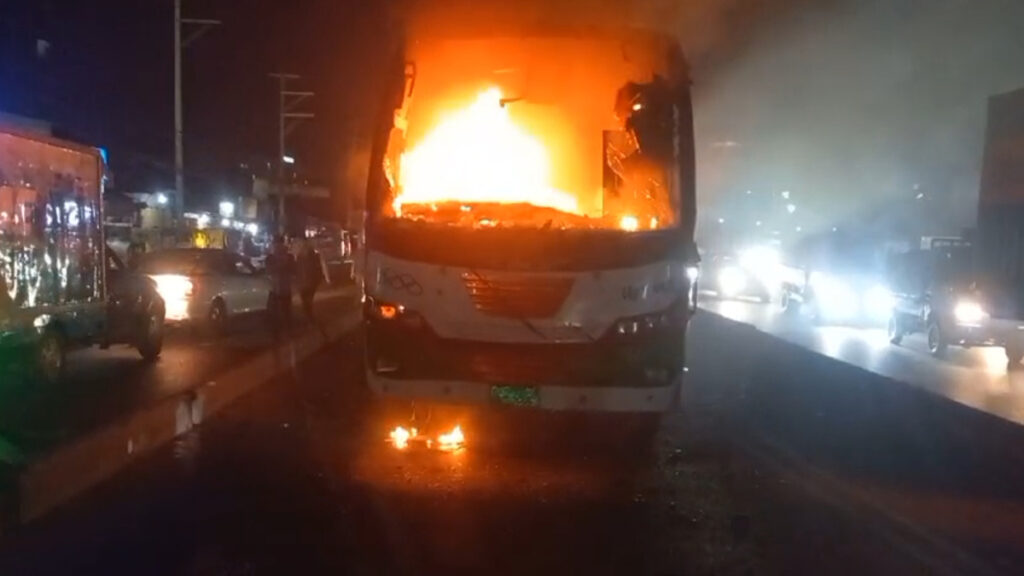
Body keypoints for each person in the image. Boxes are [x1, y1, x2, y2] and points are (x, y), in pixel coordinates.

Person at [265, 235, 296, 339]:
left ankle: (276, 335)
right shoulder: (289, 257)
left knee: (275, 315)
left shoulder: (270, 257)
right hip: (285, 289)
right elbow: (294, 271)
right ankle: (288, 334)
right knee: (286, 313)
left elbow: (268, 271)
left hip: (274, 289)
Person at [297, 238, 329, 338]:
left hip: (308, 283)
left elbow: (320, 267)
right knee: (307, 302)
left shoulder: (308, 256)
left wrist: (324, 278)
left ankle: (310, 320)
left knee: (307, 302)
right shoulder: (303, 256)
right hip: (307, 283)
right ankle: (310, 320)